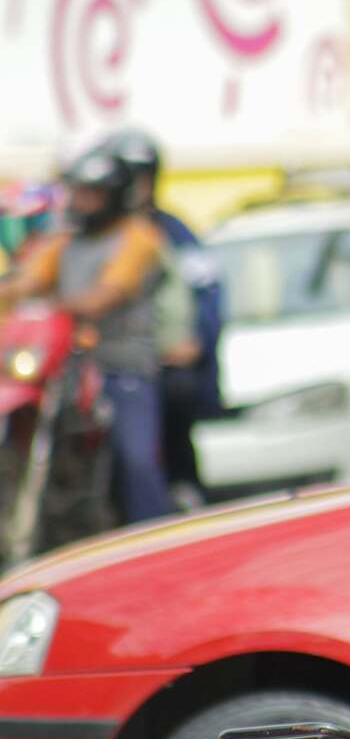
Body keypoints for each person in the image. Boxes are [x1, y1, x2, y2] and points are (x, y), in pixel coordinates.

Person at [0, 147, 169, 526]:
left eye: (91, 193)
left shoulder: (138, 237)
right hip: (65, 367)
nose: (81, 202)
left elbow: (106, 295)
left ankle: (152, 526)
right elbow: (25, 282)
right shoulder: (63, 242)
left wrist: (55, 303)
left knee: (135, 457)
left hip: (119, 366)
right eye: (78, 192)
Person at [107, 130, 223, 508]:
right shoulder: (97, 235)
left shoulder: (173, 232)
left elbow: (206, 292)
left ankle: (182, 491)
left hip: (160, 365)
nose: (138, 187)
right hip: (110, 367)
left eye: (144, 176)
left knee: (176, 400)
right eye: (129, 176)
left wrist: (196, 340)